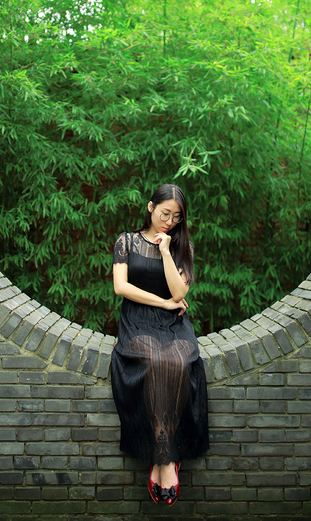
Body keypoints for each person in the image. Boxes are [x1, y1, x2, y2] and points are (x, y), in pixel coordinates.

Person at [111, 183, 209, 506]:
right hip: (138, 320)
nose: (169, 222)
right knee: (153, 362)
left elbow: (180, 293)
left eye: (176, 217)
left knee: (179, 362)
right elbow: (121, 287)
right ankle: (167, 460)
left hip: (172, 325)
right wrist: (162, 302)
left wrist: (166, 251)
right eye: (165, 213)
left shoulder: (182, 247)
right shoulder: (126, 241)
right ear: (150, 207)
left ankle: (160, 457)